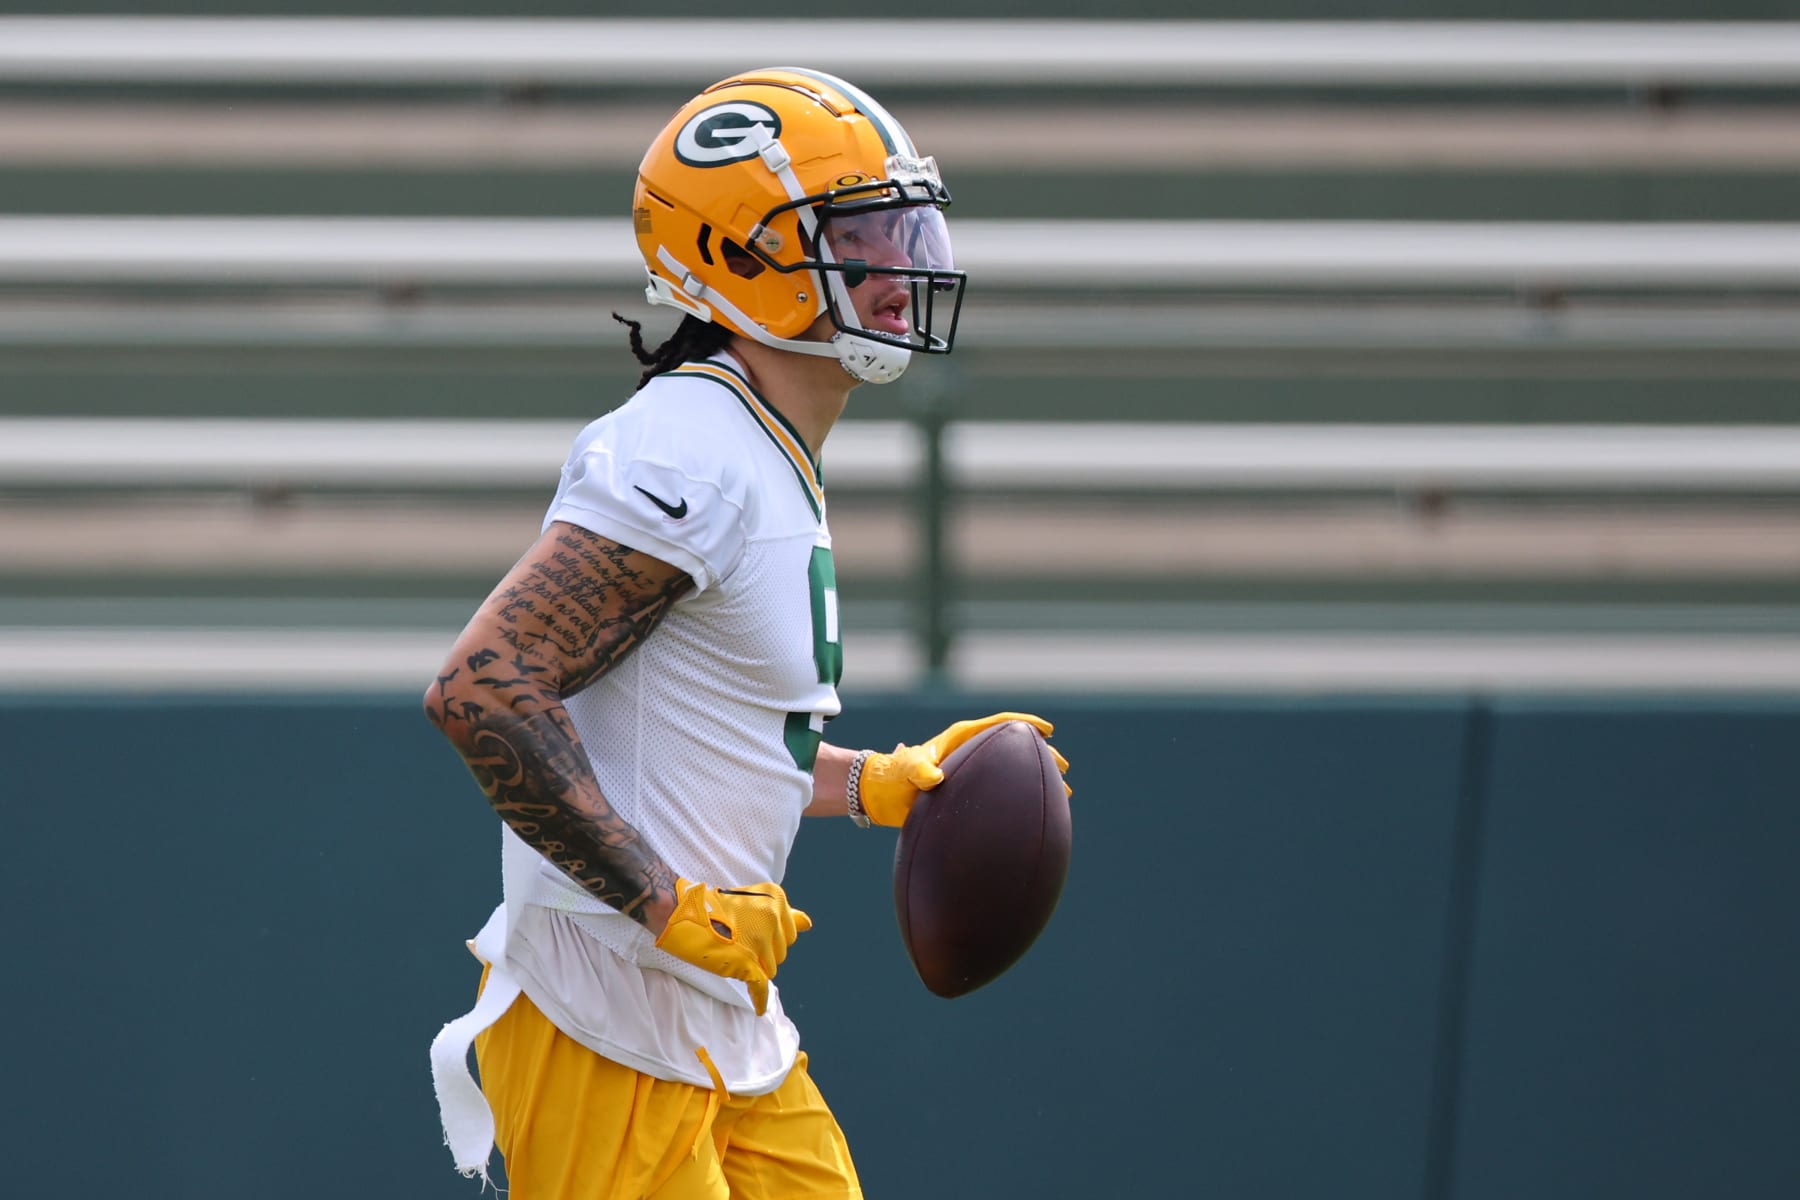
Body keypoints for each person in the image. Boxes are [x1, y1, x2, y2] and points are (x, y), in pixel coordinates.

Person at [424, 68, 1070, 1200]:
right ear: (737, 258)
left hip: (720, 1019)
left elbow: (702, 739)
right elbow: (485, 686)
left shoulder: (755, 444)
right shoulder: (693, 449)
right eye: (862, 235)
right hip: (604, 1017)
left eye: (908, 227)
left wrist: (875, 782)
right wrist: (664, 904)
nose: (901, 268)